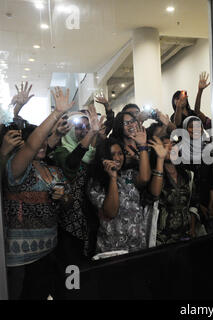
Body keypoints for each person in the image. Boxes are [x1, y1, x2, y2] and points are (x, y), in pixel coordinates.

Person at [4, 87, 73, 299]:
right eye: (37, 141)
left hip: (50, 248)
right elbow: (33, 143)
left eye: (46, 140)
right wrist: (56, 113)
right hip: (21, 257)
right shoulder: (17, 168)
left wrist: (64, 198)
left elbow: (68, 203)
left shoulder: (53, 170)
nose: (42, 144)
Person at [52, 105, 105, 264]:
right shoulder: (61, 151)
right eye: (79, 128)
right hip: (70, 217)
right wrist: (92, 133)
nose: (84, 131)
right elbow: (71, 164)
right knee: (71, 262)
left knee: (89, 262)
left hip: (90, 214)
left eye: (87, 127)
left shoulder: (92, 152)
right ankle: (71, 288)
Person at [87, 123, 151, 253]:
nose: (117, 158)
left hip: (137, 245)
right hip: (113, 248)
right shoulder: (96, 183)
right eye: (112, 154)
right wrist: (113, 178)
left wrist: (143, 147)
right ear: (103, 158)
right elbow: (111, 212)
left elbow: (144, 178)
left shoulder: (128, 174)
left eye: (120, 153)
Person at [149, 136, 200, 245]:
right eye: (165, 146)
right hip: (161, 239)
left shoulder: (188, 175)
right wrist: (160, 159)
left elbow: (193, 204)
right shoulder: (154, 176)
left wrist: (192, 228)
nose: (170, 148)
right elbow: (154, 195)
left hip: (184, 236)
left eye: (173, 145)